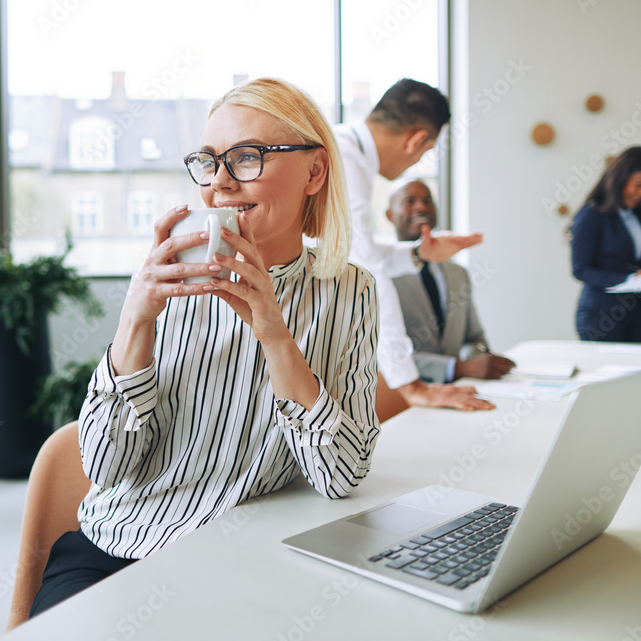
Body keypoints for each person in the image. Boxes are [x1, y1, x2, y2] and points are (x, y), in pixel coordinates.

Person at [28, 78, 381, 617]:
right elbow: (106, 465)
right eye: (208, 161)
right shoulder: (174, 279)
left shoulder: (350, 293)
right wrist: (135, 321)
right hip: (119, 552)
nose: (219, 182)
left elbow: (341, 477)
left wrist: (275, 335)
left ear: (314, 171)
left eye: (246, 158)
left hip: (242, 563)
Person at [334, 78, 493, 410]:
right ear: (417, 139)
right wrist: (412, 385)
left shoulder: (346, 150)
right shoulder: (345, 161)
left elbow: (350, 252)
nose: (418, 162)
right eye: (427, 151)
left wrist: (419, 253)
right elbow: (368, 273)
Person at [387, 179, 515, 383]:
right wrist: (459, 368)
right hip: (403, 398)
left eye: (428, 200)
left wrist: (477, 359)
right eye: (409, 201)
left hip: (461, 392)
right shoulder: (378, 276)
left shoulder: (458, 273)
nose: (421, 206)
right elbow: (382, 354)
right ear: (390, 215)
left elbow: (474, 337)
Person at [570, 146, 641, 343]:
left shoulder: (639, 214)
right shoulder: (591, 216)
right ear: (620, 179)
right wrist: (630, 278)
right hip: (602, 316)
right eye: (639, 185)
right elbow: (581, 270)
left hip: (640, 312)